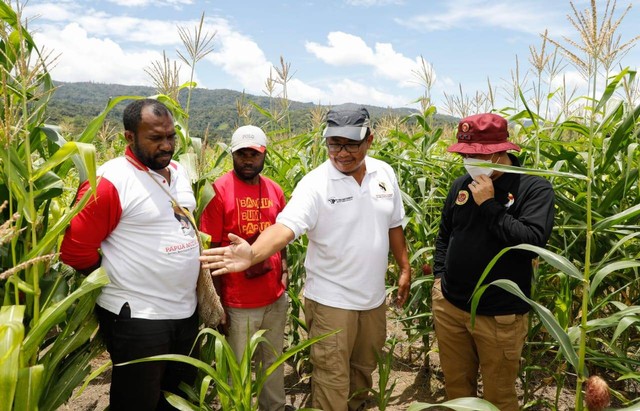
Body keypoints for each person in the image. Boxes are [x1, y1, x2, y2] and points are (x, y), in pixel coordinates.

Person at [200, 107, 411, 411]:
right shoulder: (315, 184)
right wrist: (254, 253)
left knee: (363, 373)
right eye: (334, 144)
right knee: (332, 381)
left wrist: (404, 266)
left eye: (351, 144)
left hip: (374, 300)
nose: (341, 153)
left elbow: (394, 224)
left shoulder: (384, 173)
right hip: (331, 301)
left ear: (369, 140)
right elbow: (286, 228)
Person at [60, 98, 201, 411]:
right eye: (155, 138)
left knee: (178, 400)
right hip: (138, 318)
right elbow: (74, 251)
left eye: (171, 136)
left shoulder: (178, 172)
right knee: (136, 402)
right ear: (129, 137)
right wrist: (121, 277)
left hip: (185, 312)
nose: (166, 146)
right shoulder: (110, 181)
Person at [432, 113, 555, 410]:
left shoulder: (533, 189)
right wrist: (438, 279)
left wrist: (489, 204)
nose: (469, 161)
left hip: (499, 316)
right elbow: (445, 234)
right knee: (457, 392)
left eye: (477, 155)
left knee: (498, 398)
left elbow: (531, 244)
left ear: (501, 151)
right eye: (465, 153)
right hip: (450, 305)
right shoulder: (461, 184)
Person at [199, 125, 288, 411]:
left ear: (264, 155)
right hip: (238, 302)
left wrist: (284, 270)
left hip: (274, 296)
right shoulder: (217, 191)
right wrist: (217, 304)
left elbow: (282, 235)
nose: (248, 160)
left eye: (254, 154)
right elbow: (209, 253)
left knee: (272, 361)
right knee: (236, 367)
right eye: (241, 154)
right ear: (232, 155)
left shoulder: (275, 190)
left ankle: (273, 407)